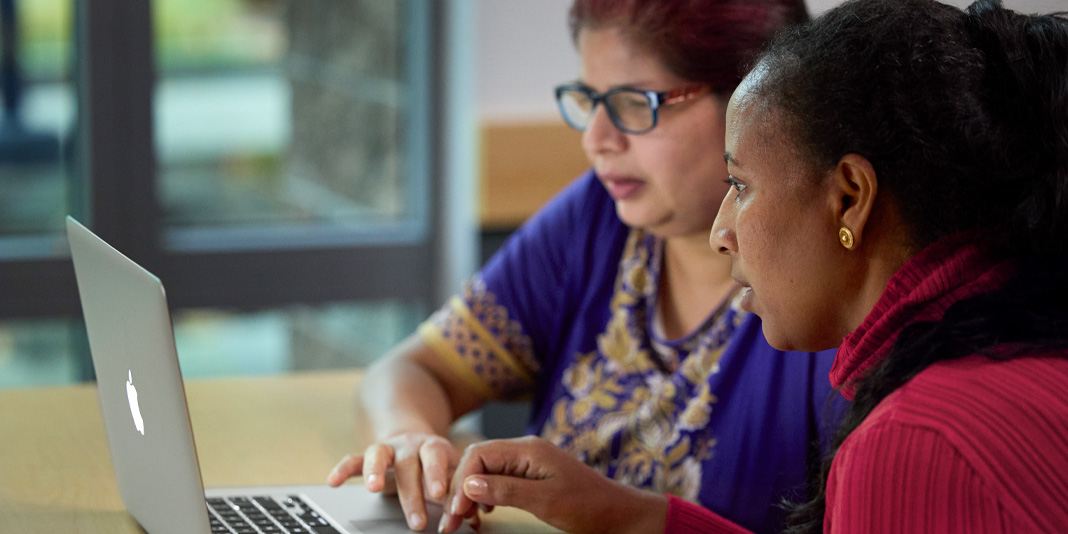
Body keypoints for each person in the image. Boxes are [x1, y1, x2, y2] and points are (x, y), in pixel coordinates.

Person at [437, 0, 1068, 532]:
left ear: (849, 198)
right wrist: (629, 516)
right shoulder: (1010, 335)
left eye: (739, 186)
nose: (723, 232)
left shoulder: (912, 439)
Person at [327, 1, 845, 533]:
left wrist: (618, 514)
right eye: (591, 101)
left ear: (756, 103)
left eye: (634, 104)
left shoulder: (825, 291)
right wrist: (409, 439)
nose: (596, 139)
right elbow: (410, 371)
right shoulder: (600, 217)